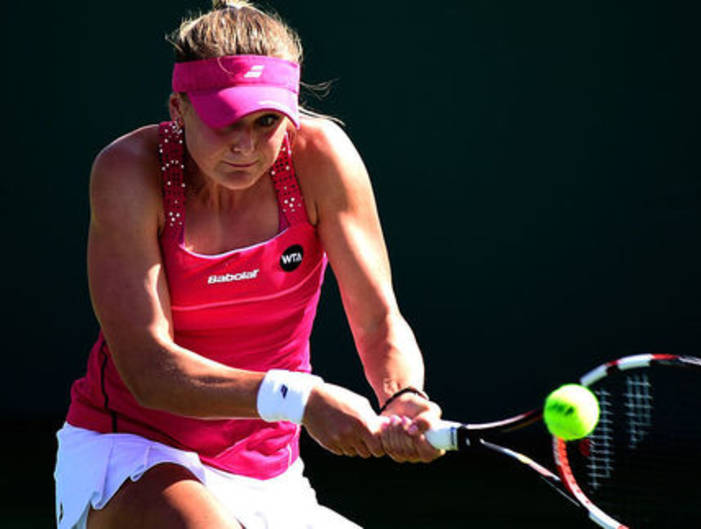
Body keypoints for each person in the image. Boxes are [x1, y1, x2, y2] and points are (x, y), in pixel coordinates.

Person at [53, 1, 443, 527]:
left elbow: (379, 320)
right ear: (178, 109)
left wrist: (404, 395)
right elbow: (149, 369)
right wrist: (301, 398)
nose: (246, 145)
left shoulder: (319, 156)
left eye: (266, 122)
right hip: (134, 447)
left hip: (269, 469)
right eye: (225, 120)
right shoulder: (129, 171)